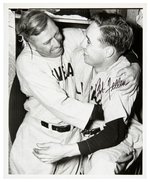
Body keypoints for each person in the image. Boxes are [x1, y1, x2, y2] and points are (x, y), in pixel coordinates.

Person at [10, 9, 140, 175]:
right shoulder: (28, 64)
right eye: (47, 42)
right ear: (29, 43)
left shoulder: (70, 37)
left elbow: (113, 43)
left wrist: (135, 66)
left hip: (73, 133)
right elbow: (63, 105)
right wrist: (114, 113)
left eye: (56, 33)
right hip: (40, 137)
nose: (57, 43)